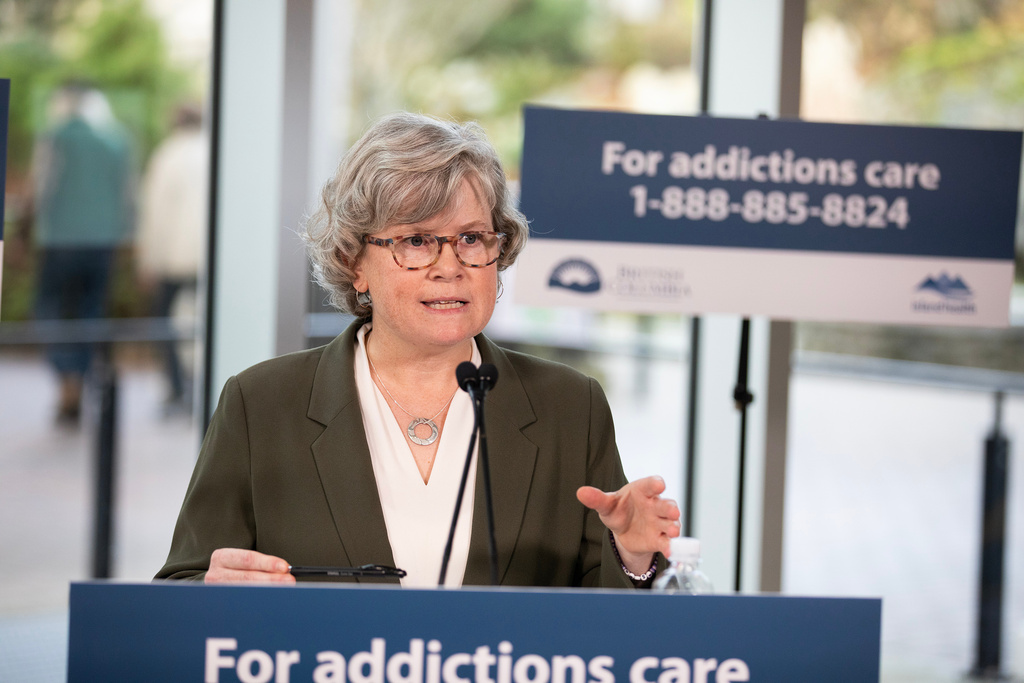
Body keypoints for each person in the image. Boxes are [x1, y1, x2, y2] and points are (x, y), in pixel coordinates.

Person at [156, 112, 679, 588]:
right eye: (416, 240)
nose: (450, 266)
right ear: (353, 261)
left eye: (472, 238)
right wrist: (211, 593)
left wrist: (633, 558)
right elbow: (177, 590)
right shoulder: (261, 403)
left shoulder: (571, 405)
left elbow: (607, 625)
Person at [32, 83, 135, 424]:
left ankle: (67, 381)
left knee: (53, 310)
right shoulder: (117, 140)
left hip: (59, 241)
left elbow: (42, 185)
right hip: (102, 242)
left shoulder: (55, 136)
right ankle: (81, 376)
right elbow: (127, 194)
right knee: (91, 312)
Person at [136, 103, 207, 413]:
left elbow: (155, 214)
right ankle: (201, 385)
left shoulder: (166, 156)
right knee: (203, 321)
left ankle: (178, 389)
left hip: (174, 258)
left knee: (167, 323)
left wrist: (148, 260)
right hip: (207, 258)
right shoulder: (214, 150)